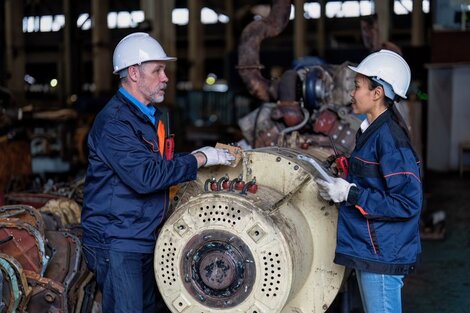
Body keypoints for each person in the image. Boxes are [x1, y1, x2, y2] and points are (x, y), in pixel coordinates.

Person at [81, 32, 234, 313]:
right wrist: (199, 158)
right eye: (158, 70)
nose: (165, 77)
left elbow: (158, 162)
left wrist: (198, 158)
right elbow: (145, 176)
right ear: (134, 73)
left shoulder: (149, 116)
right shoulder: (115, 123)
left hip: (146, 236)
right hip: (118, 241)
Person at [316, 49, 422, 313]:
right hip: (371, 251)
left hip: (382, 253)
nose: (352, 93)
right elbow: (376, 180)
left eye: (357, 86)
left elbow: (407, 202)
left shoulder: (390, 139)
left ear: (377, 93)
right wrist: (348, 175)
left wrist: (352, 194)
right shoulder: (372, 131)